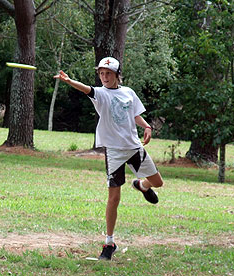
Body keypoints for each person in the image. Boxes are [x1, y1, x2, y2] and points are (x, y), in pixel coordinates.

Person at [53, 57, 164, 261]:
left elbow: (135, 115)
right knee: (114, 198)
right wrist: (69, 81)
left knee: (158, 182)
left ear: (117, 75)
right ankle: (109, 242)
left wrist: (147, 126)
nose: (104, 77)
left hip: (134, 147)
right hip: (114, 151)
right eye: (101, 73)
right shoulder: (100, 94)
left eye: (108, 74)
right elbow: (87, 89)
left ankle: (142, 185)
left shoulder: (128, 92)